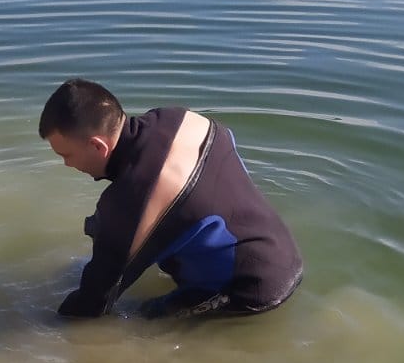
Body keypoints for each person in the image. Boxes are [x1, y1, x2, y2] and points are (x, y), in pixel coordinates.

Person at [38, 78, 303, 319]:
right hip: (284, 252)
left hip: (253, 288)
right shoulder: (178, 117)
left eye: (66, 155)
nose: (67, 165)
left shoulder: (129, 201)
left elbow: (91, 304)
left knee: (145, 319)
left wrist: (41, 324)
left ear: (98, 145)